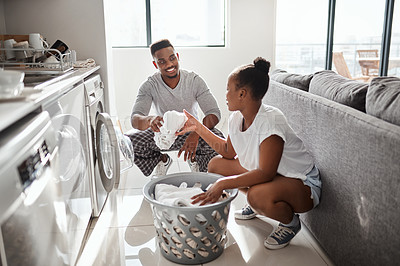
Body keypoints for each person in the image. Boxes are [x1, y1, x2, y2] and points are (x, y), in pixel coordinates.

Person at [176, 57, 322, 250]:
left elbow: (265, 173)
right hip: (277, 176)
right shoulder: (237, 117)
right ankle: (259, 203)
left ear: (242, 94)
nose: (226, 94)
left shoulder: (270, 122)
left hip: (302, 184)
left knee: (255, 196)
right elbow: (228, 152)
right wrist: (198, 127)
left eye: (229, 89)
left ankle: (290, 223)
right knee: (215, 165)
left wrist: (223, 183)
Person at [127, 39, 224, 177]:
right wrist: (150, 120)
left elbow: (213, 113)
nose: (169, 64)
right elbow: (135, 118)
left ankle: (196, 161)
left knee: (218, 138)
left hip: (191, 131)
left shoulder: (194, 80)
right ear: (155, 64)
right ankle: (161, 161)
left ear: (177, 57)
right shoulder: (149, 85)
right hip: (163, 134)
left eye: (172, 58)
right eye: (162, 61)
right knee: (129, 141)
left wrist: (197, 132)